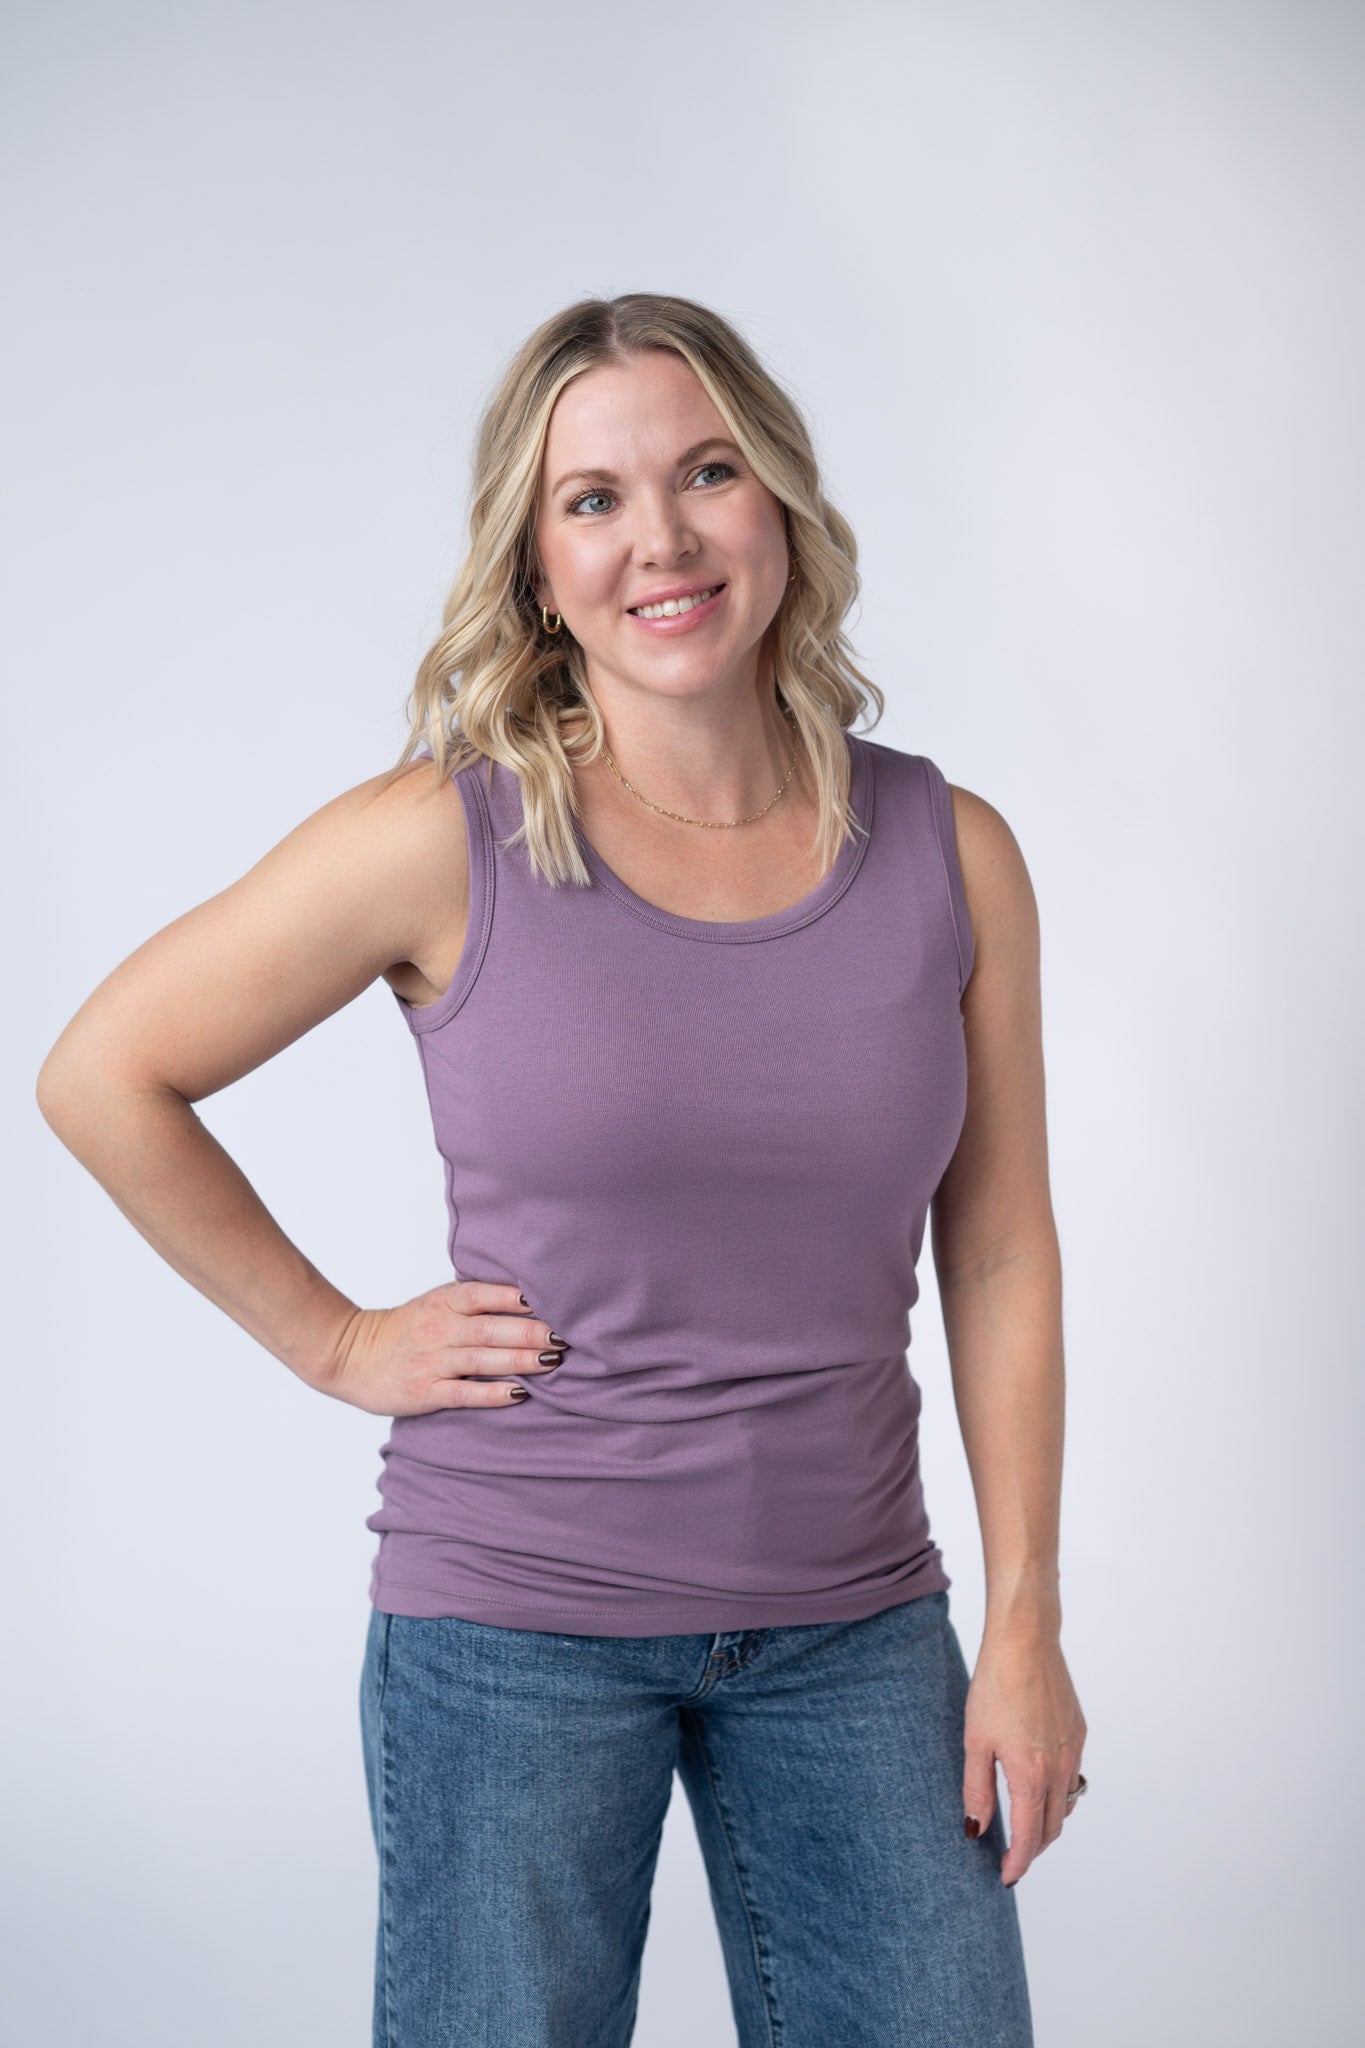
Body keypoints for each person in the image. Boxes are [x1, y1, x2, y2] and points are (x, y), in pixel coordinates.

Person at [36, 291, 1086, 2047]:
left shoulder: (948, 851)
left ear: (780, 507)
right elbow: (103, 1074)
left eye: (705, 474)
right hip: (513, 1631)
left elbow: (996, 1254)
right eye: (590, 500)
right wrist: (337, 1340)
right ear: (533, 565)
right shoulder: (445, 840)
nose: (659, 540)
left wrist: (1028, 1621)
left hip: (857, 1629)